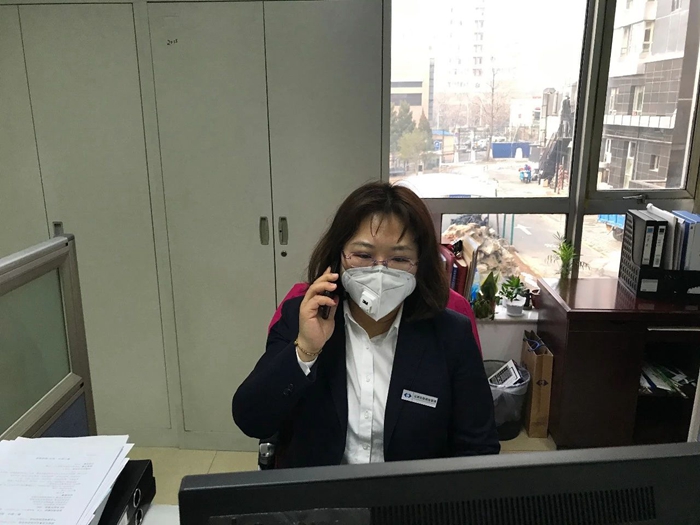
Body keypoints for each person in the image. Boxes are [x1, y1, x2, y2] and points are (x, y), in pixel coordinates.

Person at [233, 182, 499, 468]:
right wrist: (306, 350)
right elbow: (252, 420)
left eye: (399, 258)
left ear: (419, 264)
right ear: (338, 256)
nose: (380, 271)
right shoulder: (300, 317)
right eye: (363, 255)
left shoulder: (451, 335)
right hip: (319, 492)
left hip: (410, 493)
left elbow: (478, 447)